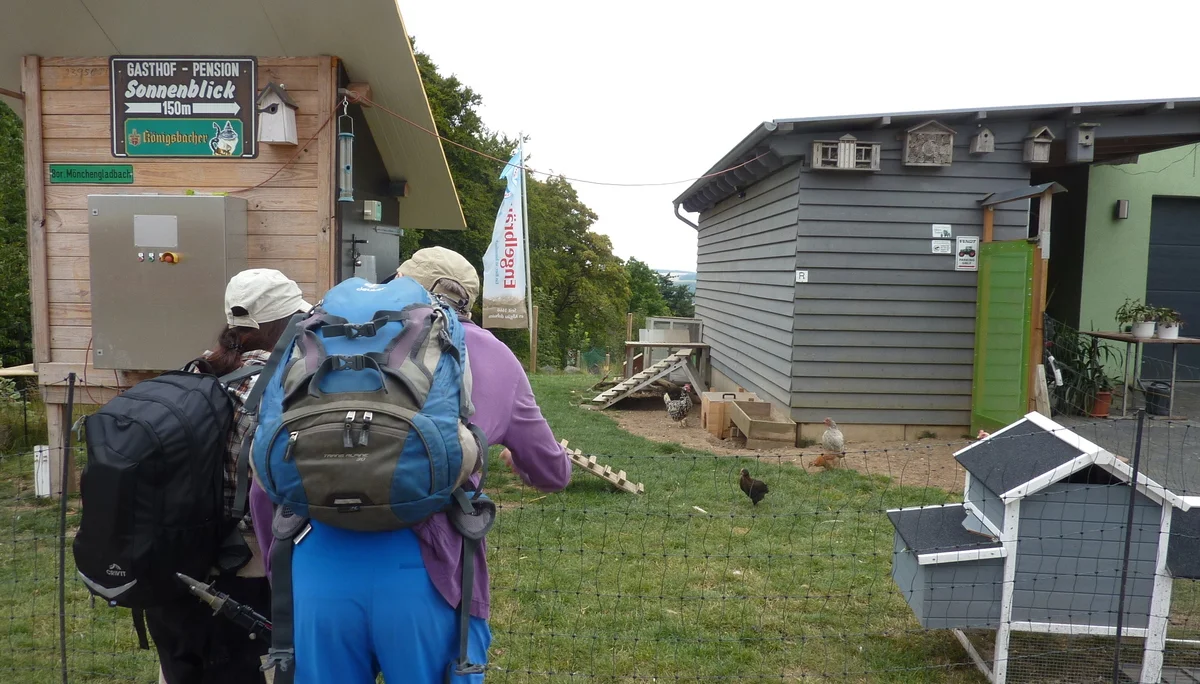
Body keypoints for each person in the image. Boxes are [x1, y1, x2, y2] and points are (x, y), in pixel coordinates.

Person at [249, 246, 571, 683]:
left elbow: (265, 478)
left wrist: (282, 571)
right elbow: (552, 473)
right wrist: (520, 462)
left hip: (318, 563)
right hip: (429, 573)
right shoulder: (493, 355)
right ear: (467, 302)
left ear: (399, 283)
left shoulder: (327, 338)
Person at [149, 269, 312, 684]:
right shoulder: (283, 387)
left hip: (175, 561)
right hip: (247, 568)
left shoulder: (194, 373)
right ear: (285, 324)